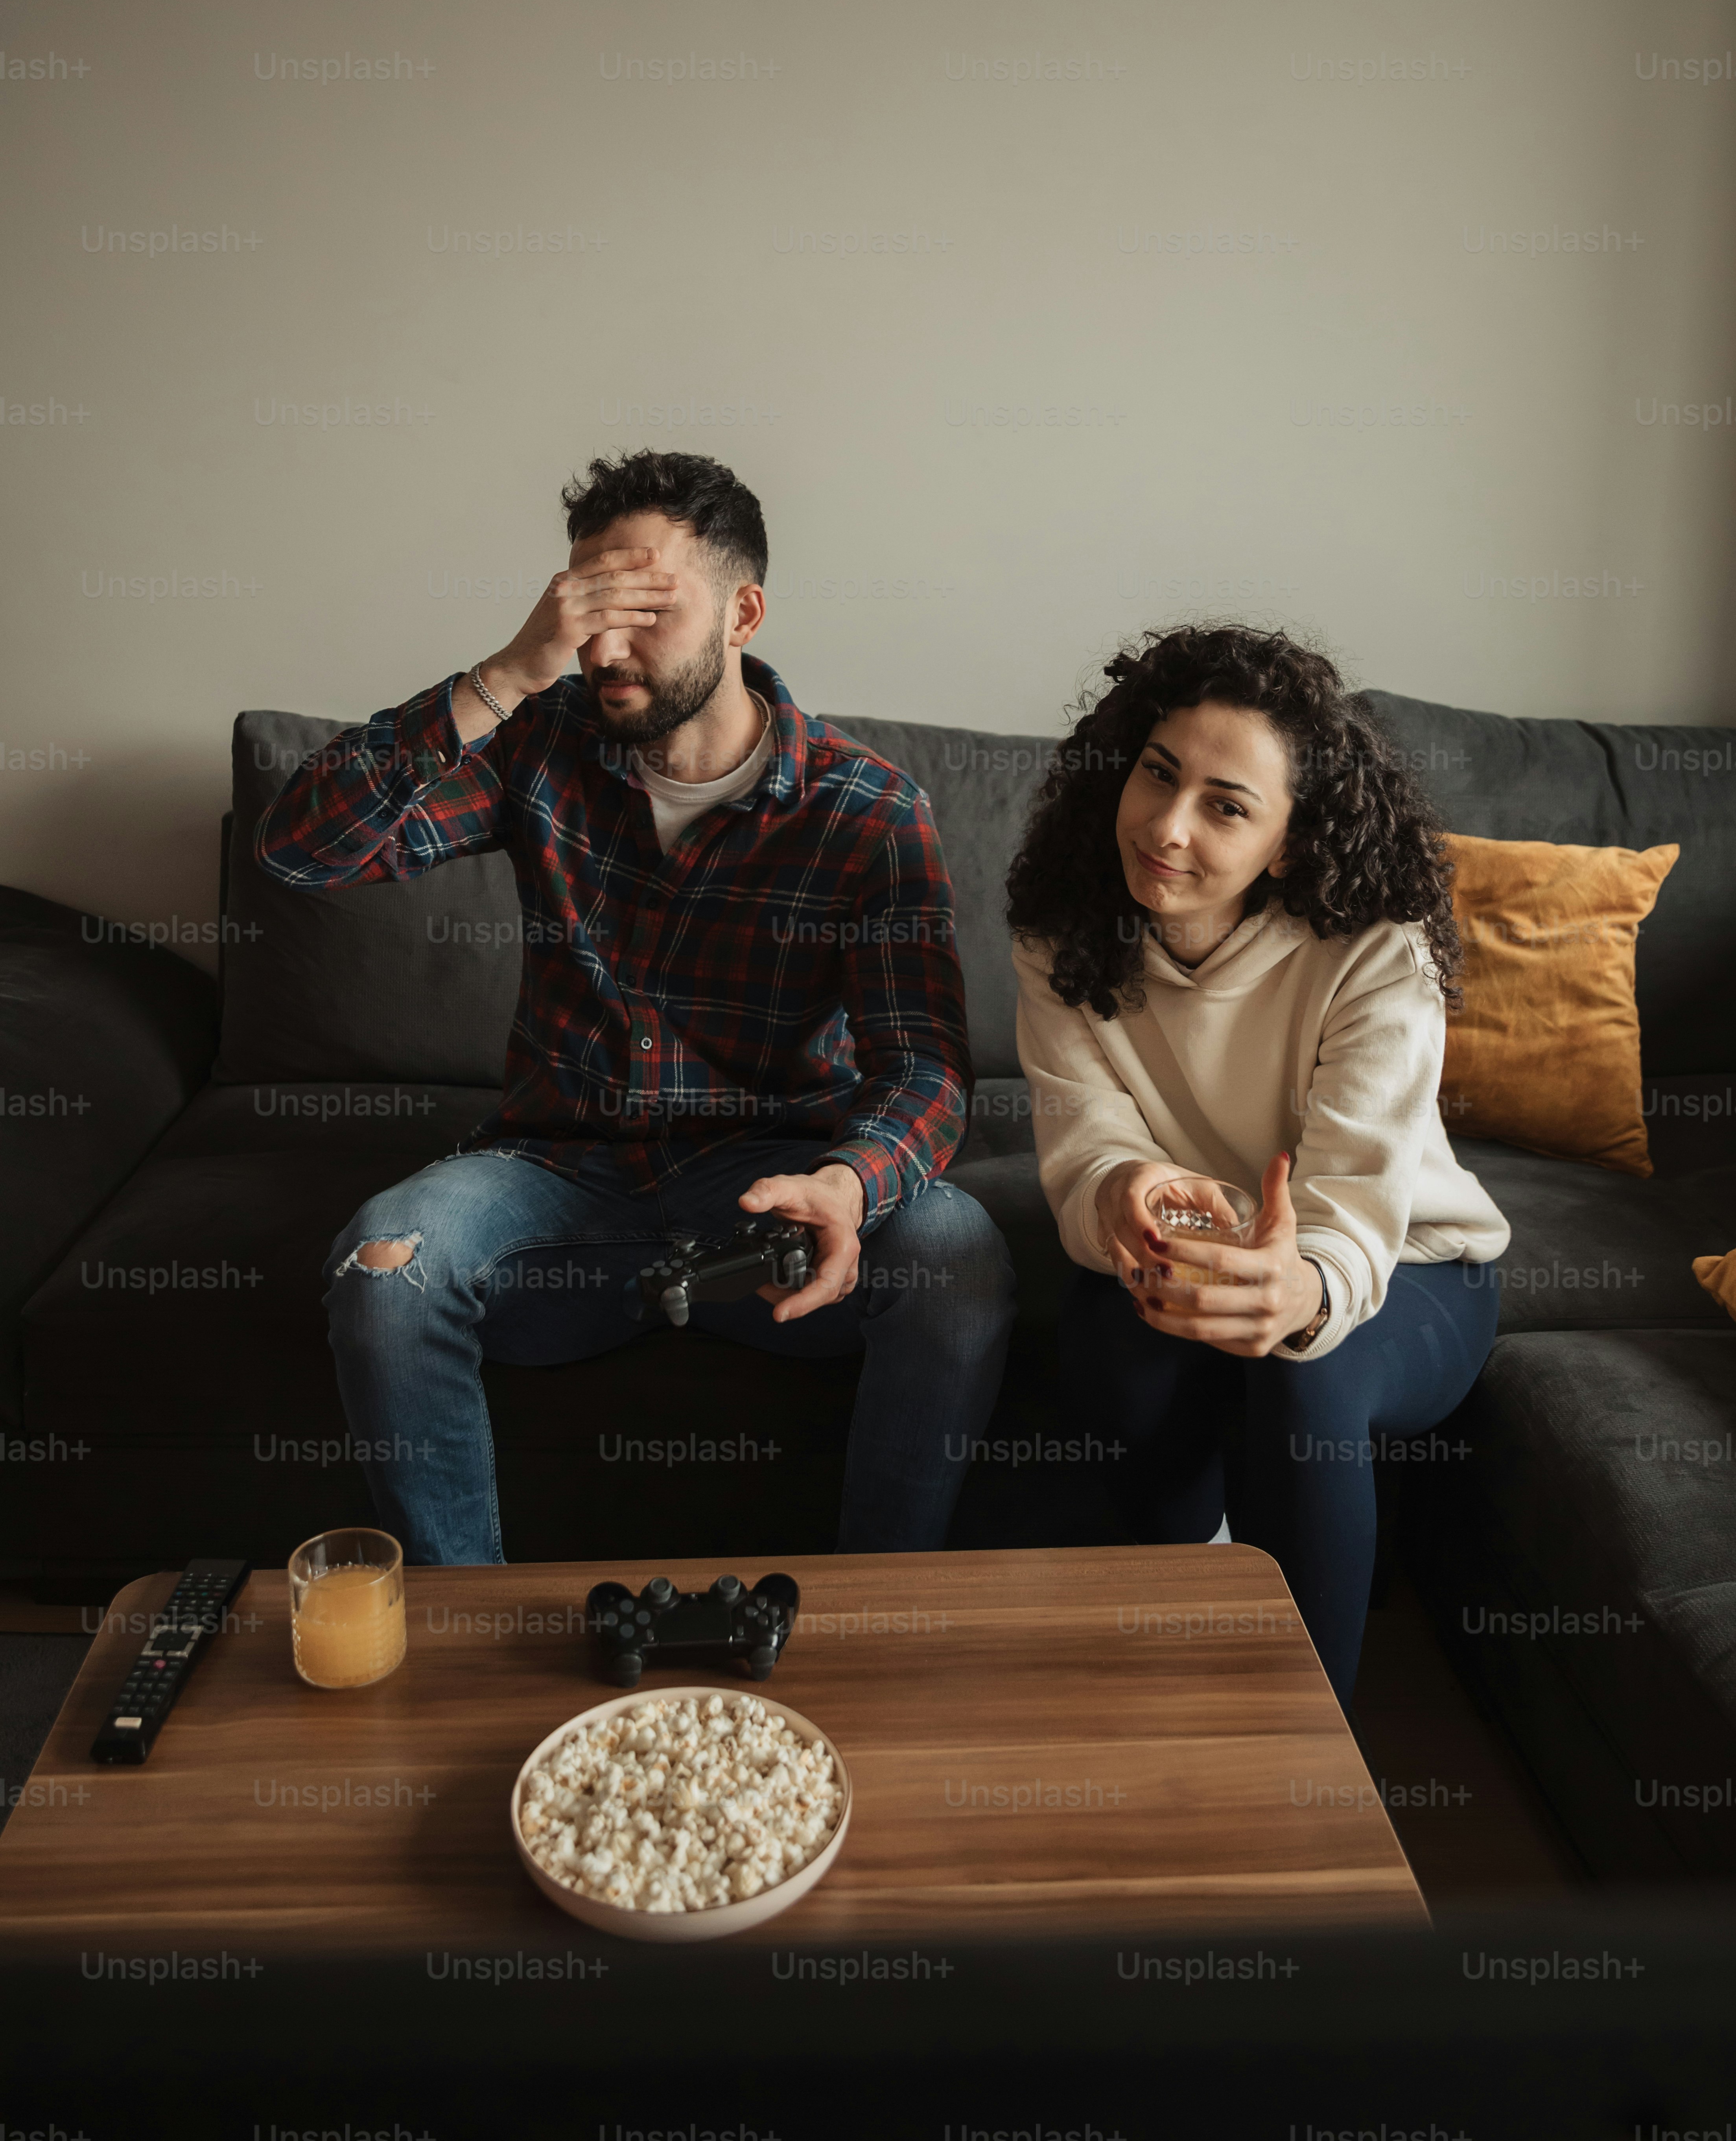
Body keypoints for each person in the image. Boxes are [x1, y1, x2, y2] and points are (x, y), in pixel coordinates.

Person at [257, 449, 1013, 1564]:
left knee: (957, 1250)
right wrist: (505, 674)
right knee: (386, 1267)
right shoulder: (538, 739)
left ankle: (871, 1617)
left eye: (645, 610)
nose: (606, 649)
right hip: (557, 1176)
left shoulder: (867, 810)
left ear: (743, 612)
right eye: (587, 609)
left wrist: (849, 1185)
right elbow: (299, 849)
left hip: (769, 1197)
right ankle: (465, 1626)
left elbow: (928, 1068)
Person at [1005, 624, 1509, 1707]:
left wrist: (1304, 1286)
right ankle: (1199, 1614)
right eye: (1158, 774)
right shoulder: (1062, 926)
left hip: (1407, 1267)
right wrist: (1126, 1188)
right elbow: (1088, 1137)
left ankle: (1307, 1755)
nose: (1168, 827)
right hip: (1193, 1247)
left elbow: (1355, 1199)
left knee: (1301, 1368)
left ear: (1287, 843)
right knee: (1108, 1347)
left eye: (1226, 807)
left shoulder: (1377, 946)